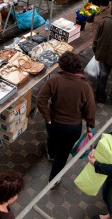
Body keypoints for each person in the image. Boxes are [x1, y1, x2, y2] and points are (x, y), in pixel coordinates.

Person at [36, 52, 96, 183]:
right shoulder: (85, 87)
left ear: (62, 66)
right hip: (72, 128)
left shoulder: (54, 80)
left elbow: (40, 100)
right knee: (63, 154)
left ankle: (51, 154)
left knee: (51, 137)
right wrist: (90, 124)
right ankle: (54, 180)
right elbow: (90, 110)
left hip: (53, 123)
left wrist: (47, 117)